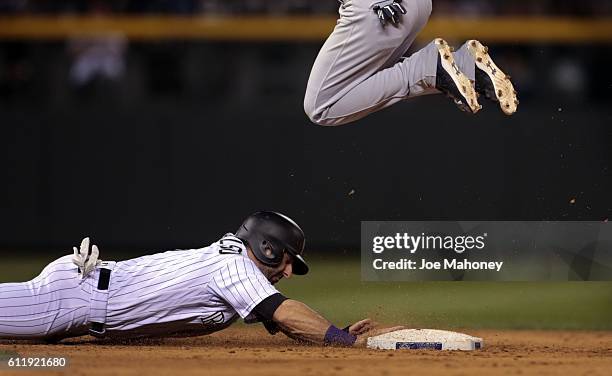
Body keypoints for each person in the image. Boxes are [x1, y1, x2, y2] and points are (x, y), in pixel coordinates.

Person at [0, 211, 401, 346]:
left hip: (86, 302)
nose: (289, 271)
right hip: (73, 298)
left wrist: (334, 334)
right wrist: (340, 338)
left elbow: (281, 320)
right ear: (265, 248)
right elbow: (284, 312)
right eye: (288, 260)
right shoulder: (235, 267)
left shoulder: (236, 267)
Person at [304, 0, 518, 126]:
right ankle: (466, 66)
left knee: (321, 106)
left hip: (379, 9)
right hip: (413, 7)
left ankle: (428, 67)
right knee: (372, 80)